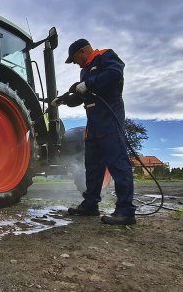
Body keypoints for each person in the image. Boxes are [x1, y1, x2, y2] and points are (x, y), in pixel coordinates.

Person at [52, 39, 136, 225]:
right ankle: (91, 205)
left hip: (110, 118)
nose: (75, 63)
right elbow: (82, 97)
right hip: (93, 123)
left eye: (74, 59)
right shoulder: (84, 71)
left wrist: (89, 82)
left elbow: (115, 74)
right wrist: (64, 100)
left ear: (82, 51)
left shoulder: (106, 56)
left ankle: (126, 211)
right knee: (92, 166)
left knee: (117, 163)